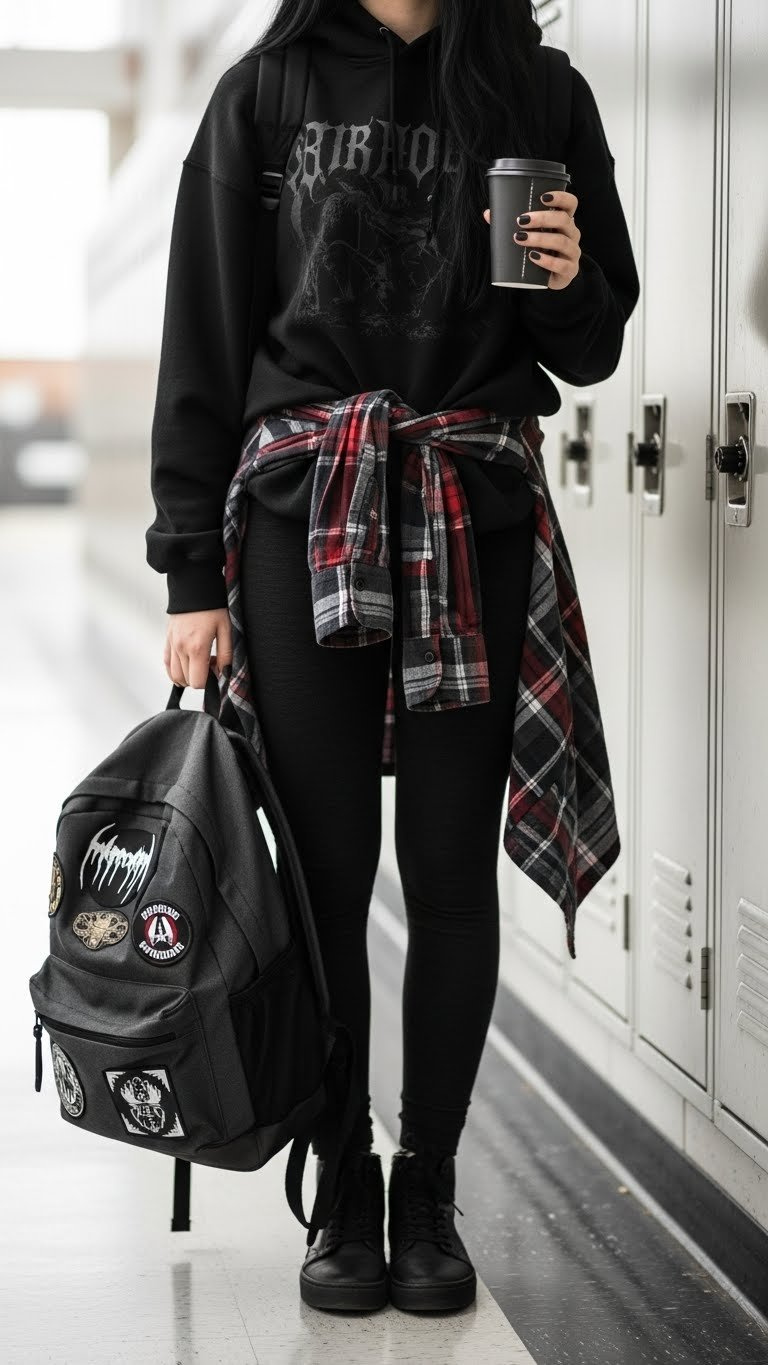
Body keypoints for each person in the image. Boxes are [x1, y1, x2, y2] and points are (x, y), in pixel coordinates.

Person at [146, 0, 640, 1317]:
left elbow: (590, 346)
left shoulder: (537, 92)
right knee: (322, 870)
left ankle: (426, 1181)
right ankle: (345, 1174)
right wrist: (191, 566)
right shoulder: (265, 93)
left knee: (444, 864)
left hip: (468, 506)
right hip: (300, 512)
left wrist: (572, 274)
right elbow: (202, 331)